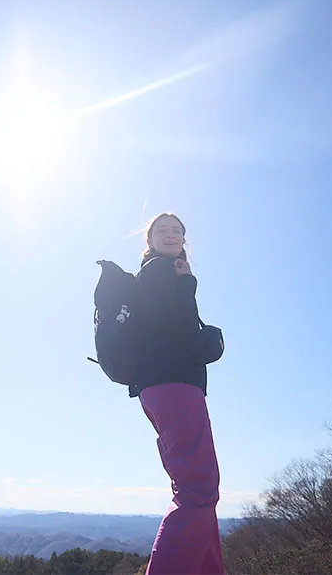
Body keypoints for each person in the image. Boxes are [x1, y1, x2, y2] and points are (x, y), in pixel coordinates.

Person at [131, 213, 223, 575]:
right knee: (198, 489)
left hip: (166, 386)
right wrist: (187, 285)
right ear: (149, 239)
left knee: (199, 488)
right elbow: (168, 325)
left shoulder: (164, 273)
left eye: (177, 231)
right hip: (173, 385)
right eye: (162, 231)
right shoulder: (158, 272)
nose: (170, 235)